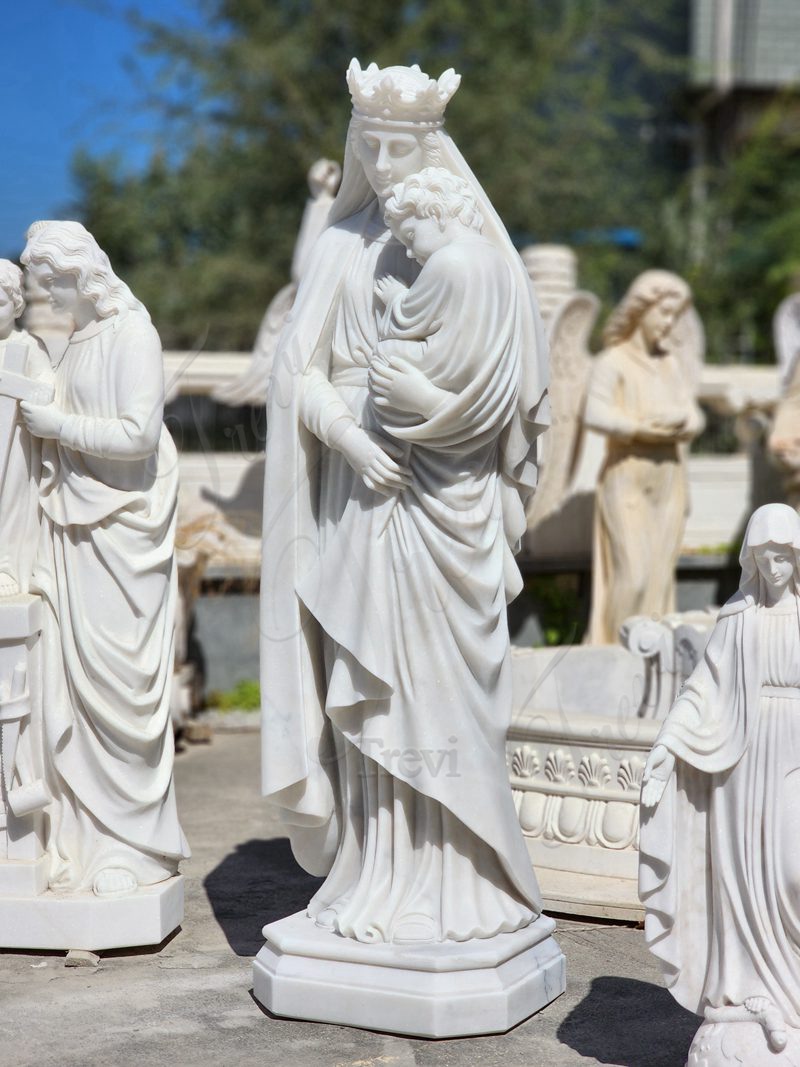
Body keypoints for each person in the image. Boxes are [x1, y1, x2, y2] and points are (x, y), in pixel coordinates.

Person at [260, 61, 549, 944]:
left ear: (435, 149)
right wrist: (351, 440)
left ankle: (462, 882)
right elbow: (294, 379)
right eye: (369, 146)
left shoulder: (473, 254)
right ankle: (376, 875)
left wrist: (439, 421)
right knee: (371, 688)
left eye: (403, 147)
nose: (384, 166)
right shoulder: (342, 246)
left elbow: (514, 387)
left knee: (445, 686)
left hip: (445, 494)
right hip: (359, 494)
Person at [19, 220, 189, 897]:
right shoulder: (69, 342)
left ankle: (135, 847)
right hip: (68, 533)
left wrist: (58, 425)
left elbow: (138, 434)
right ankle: (79, 839)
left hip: (121, 536)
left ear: (69, 277)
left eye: (39, 284)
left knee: (120, 695)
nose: (37, 297)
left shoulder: (131, 333)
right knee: (70, 688)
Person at [640, 503, 800, 1054]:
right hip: (741, 758)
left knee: (791, 870)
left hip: (795, 753)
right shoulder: (738, 618)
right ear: (751, 560)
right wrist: (666, 746)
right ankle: (745, 994)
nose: (775, 568)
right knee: (739, 880)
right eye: (765, 557)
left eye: (783, 557)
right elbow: (702, 689)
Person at [584, 270, 704, 644]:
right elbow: (593, 413)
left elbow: (695, 414)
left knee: (658, 576)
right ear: (640, 309)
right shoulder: (613, 361)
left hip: (668, 477)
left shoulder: (668, 363)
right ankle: (619, 656)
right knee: (632, 575)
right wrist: (639, 428)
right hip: (629, 473)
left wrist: (681, 423)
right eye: (664, 313)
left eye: (674, 315)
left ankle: (656, 663)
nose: (669, 324)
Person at [0, 259, 52, 596]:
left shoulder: (28, 347)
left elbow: (46, 392)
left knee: (9, 506)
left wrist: (10, 384)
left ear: (16, 304)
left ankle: (4, 566)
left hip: (14, 445)